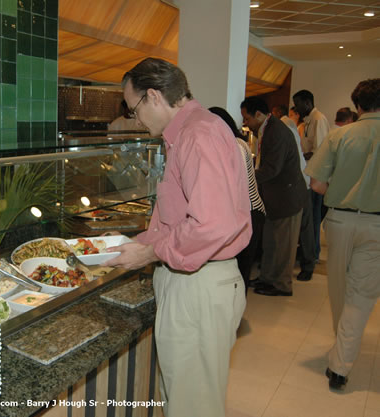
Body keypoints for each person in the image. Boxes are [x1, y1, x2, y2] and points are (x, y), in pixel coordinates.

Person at [104, 58, 251, 417]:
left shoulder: (198, 134)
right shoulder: (190, 132)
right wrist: (138, 242)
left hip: (198, 287)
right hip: (193, 284)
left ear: (154, 96)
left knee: (193, 405)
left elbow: (211, 224)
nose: (135, 119)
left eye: (134, 108)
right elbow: (181, 216)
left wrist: (150, 252)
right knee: (182, 396)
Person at [304, 78, 380, 390]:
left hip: (339, 220)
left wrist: (346, 188)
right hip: (377, 226)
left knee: (338, 289)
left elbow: (317, 185)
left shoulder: (341, 135)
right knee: (361, 295)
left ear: (358, 106)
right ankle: (341, 364)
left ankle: (340, 352)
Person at [241, 97, 307, 297]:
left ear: (259, 115)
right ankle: (267, 278)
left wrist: (243, 176)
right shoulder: (267, 129)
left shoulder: (275, 132)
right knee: (271, 242)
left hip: (286, 198)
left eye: (247, 118)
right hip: (274, 198)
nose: (245, 123)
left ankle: (281, 284)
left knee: (282, 246)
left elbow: (271, 169)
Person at [209, 106, 266, 293]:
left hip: (250, 213)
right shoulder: (228, 144)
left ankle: (236, 315)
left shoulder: (236, 145)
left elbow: (237, 189)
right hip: (242, 213)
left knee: (241, 272)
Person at [272, 105, 316, 281]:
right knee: (306, 227)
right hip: (302, 180)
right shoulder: (288, 126)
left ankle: (308, 265)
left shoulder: (283, 126)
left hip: (300, 183)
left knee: (305, 228)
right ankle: (308, 263)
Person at [293, 90, 331, 260]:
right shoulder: (308, 121)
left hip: (316, 178)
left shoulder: (318, 119)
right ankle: (308, 251)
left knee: (314, 219)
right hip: (308, 176)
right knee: (309, 218)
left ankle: (313, 254)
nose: (296, 108)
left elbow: (320, 151)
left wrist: (299, 155)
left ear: (307, 102)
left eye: (298, 103)